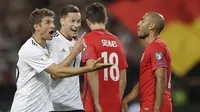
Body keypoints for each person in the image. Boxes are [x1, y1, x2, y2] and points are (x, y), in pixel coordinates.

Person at [10, 8, 112, 112]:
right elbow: (56, 72)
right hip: (26, 108)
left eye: (52, 22)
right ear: (37, 27)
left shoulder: (44, 46)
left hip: (46, 108)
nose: (53, 26)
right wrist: (88, 68)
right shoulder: (31, 49)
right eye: (48, 22)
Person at [121, 12, 172, 112]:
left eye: (143, 20)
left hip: (154, 105)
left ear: (151, 26)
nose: (138, 24)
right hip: (149, 104)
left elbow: (161, 77)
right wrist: (127, 99)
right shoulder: (151, 48)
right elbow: (144, 81)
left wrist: (157, 108)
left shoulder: (157, 46)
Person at [82, 2, 128, 112]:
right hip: (114, 104)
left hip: (93, 105)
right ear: (106, 20)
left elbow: (92, 71)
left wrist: (96, 102)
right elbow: (123, 79)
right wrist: (118, 100)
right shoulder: (117, 41)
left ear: (88, 22)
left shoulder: (88, 39)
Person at [47, 5, 84, 111]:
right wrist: (74, 53)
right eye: (72, 21)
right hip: (56, 105)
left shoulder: (77, 42)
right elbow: (54, 74)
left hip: (76, 104)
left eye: (78, 21)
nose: (76, 25)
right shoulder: (52, 42)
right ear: (62, 21)